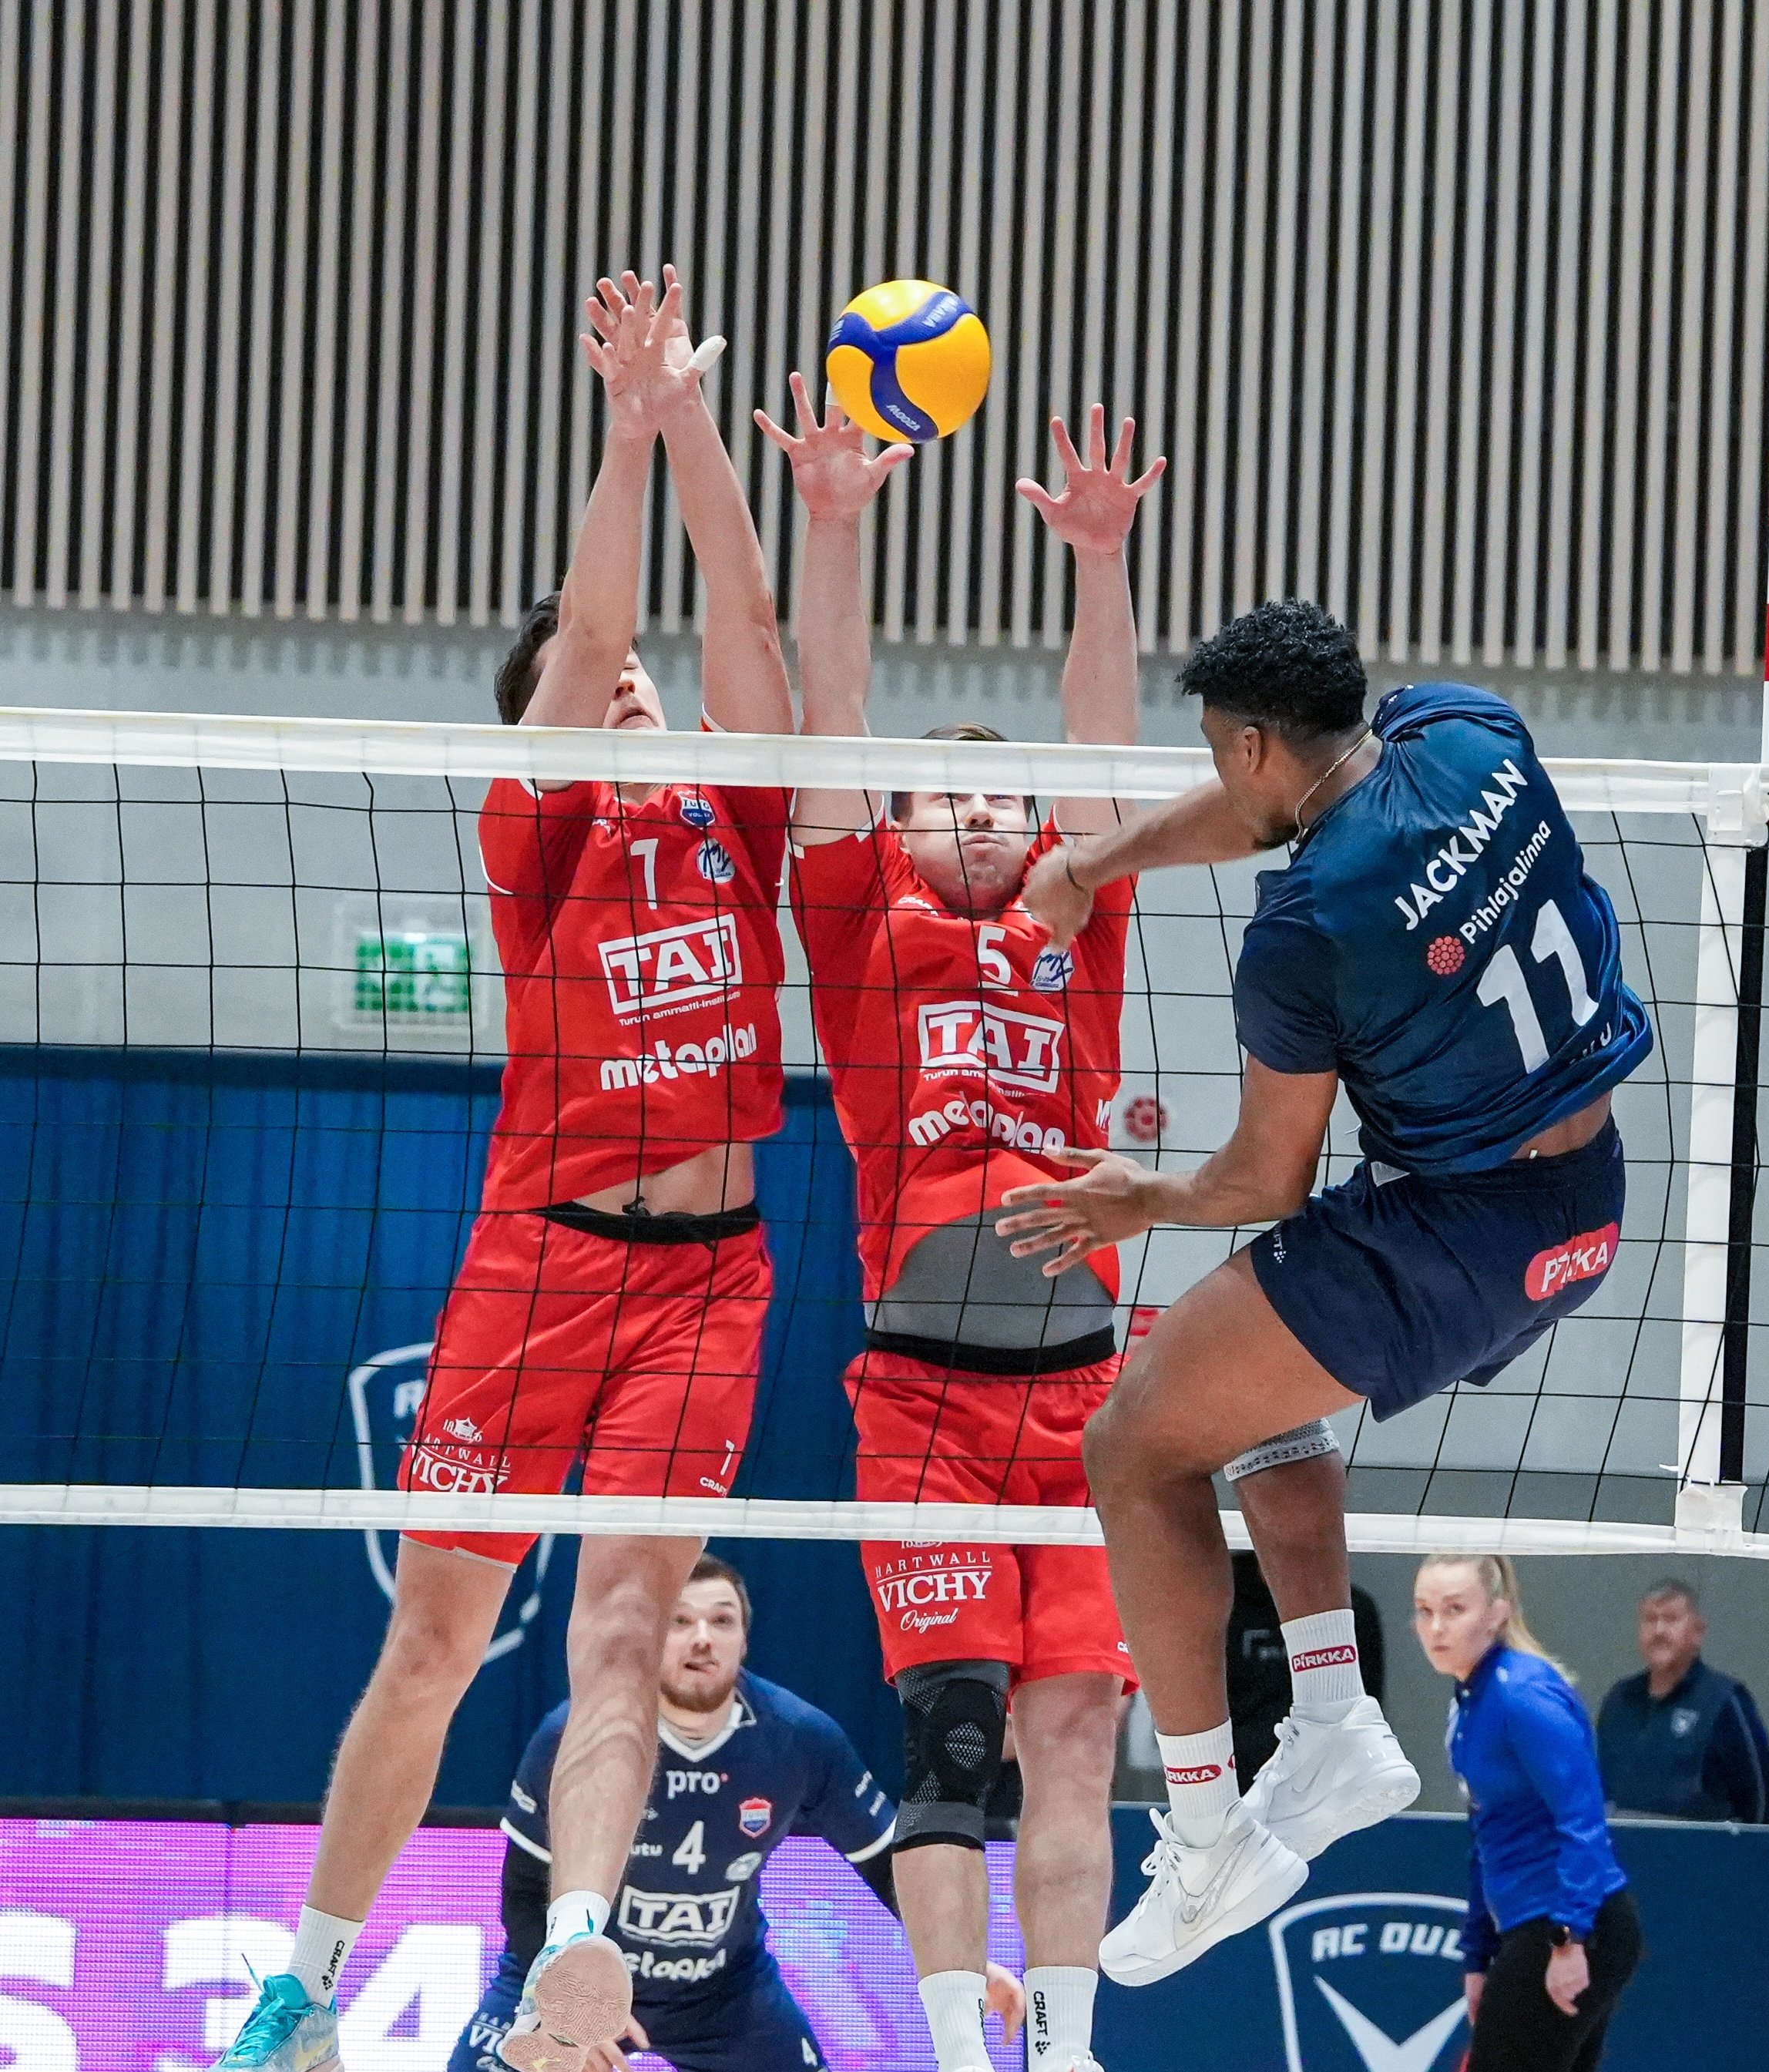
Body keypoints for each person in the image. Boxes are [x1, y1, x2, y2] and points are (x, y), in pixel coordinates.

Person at [222, 270, 799, 2072]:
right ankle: (306, 1992)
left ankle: (579, 1953)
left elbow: (747, 620)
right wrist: (621, 439)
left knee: (623, 1627)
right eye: (595, 679)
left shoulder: (738, 814)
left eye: (641, 678)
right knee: (436, 1644)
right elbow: (592, 621)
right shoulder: (538, 836)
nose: (629, 682)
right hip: (536, 1265)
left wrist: (688, 425)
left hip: (708, 1281)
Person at [994, 602, 1653, 1983]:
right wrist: (1095, 863)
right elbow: (1277, 814)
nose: (1221, 773)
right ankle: (1336, 1721)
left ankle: (1204, 1834)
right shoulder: (1463, 729)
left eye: (1216, 750)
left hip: (1457, 1231)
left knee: (1130, 1445)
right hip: (1582, 1196)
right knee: (1224, 1357)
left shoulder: (1303, 927)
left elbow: (1261, 1178)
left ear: (1248, 745)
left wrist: (1139, 1194)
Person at [761, 383, 1160, 2072]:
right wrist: (831, 526)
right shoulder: (863, 921)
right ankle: (945, 2048)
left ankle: (1057, 2048)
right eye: (946, 801)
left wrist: (1097, 564)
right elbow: (834, 719)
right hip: (921, 1404)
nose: (983, 816)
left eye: (1002, 802)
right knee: (952, 1742)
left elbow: (1103, 756)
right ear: (903, 829)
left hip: (1087, 1407)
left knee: (1072, 1744)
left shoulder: (1078, 910)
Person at [449, 1557, 1025, 2072]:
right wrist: (571, 2006)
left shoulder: (799, 1737)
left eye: (721, 1621)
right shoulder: (575, 1735)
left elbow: (887, 1862)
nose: (702, 1638)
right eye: (680, 1621)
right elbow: (524, 1894)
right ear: (650, 1634)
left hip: (723, 1993)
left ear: (745, 1638)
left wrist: (962, 1964)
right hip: (585, 1981)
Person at [1415, 1555, 1643, 2072]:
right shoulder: (1470, 1699)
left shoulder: (1522, 1695)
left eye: (1454, 1609)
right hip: (1533, 1925)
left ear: (1496, 1613)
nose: (1436, 1627)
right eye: (1424, 1610)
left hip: (1571, 1923)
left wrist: (1570, 1939)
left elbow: (1582, 1818)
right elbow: (1488, 1835)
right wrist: (1477, 1957)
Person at [1593, 1580, 1769, 1825]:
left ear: (1697, 1632)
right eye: (1650, 1619)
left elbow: (1765, 1805)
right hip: (1622, 1847)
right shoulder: (1618, 1700)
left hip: (1698, 1849)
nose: (1659, 1631)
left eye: (1671, 1619)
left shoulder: (1724, 1700)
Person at [1223, 1550, 1388, 1788]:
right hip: (1239, 1772)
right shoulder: (1226, 1607)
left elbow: (1367, 1699)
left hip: (1323, 1774)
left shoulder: (1355, 1609)